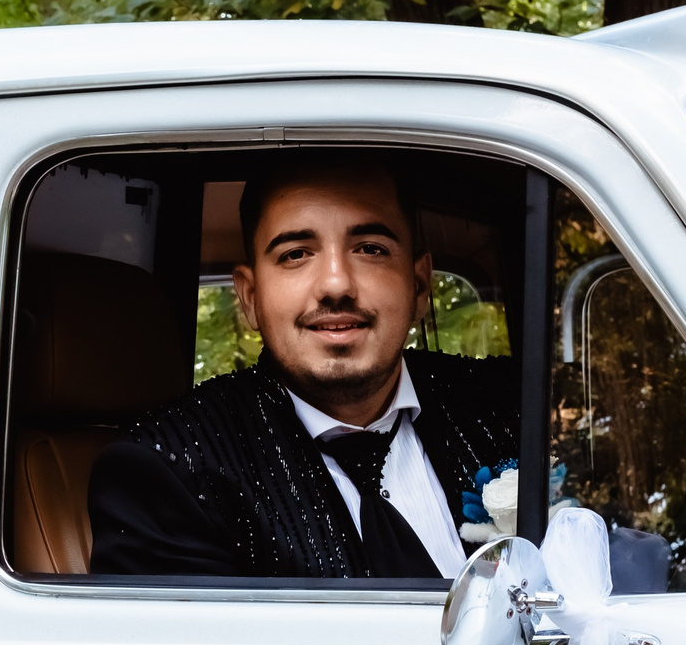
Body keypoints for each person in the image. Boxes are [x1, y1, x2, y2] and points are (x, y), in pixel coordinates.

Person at [87, 157, 518, 579]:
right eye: (295, 254)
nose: (336, 284)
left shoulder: (511, 406)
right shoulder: (170, 470)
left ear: (419, 286)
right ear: (251, 298)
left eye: (370, 249)